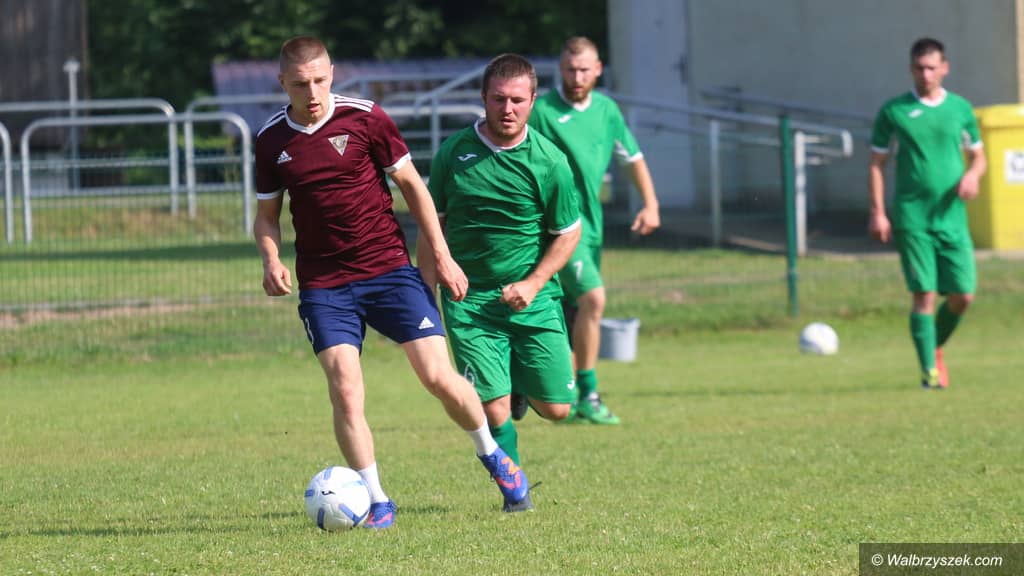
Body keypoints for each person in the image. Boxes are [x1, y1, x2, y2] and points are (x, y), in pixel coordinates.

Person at [253, 36, 530, 526]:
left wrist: (442, 256)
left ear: (332, 74)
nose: (312, 93)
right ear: (282, 83)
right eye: (300, 84)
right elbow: (267, 216)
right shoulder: (272, 140)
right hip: (325, 285)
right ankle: (378, 500)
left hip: (388, 271)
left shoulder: (366, 118)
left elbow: (413, 188)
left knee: (437, 377)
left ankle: (492, 455)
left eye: (319, 80)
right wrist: (271, 258)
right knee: (344, 389)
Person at [421, 53, 582, 511]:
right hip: (469, 300)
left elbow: (568, 232)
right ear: (483, 98)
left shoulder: (550, 162)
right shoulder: (454, 154)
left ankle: (521, 388)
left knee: (558, 410)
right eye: (498, 99)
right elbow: (433, 229)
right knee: (492, 408)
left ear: (532, 101)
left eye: (516, 100)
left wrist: (533, 283)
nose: (507, 109)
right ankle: (515, 491)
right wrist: (424, 296)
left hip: (533, 298)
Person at [525, 36, 660, 424]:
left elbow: (632, 158)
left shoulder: (606, 109)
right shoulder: (542, 111)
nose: (577, 77)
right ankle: (589, 394)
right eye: (570, 70)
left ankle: (554, 394)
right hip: (559, 228)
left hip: (593, 226)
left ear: (598, 69)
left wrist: (651, 204)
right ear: (560, 70)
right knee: (594, 300)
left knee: (570, 312)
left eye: (584, 69)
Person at [868, 37, 986, 389]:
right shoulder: (894, 111)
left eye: (932, 67)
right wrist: (878, 212)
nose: (926, 74)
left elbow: (979, 156)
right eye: (920, 68)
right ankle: (929, 373)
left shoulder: (960, 109)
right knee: (924, 293)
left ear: (944, 68)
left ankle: (934, 346)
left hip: (952, 216)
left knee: (963, 296)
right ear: (911, 69)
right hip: (913, 217)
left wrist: (972, 175)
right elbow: (876, 163)